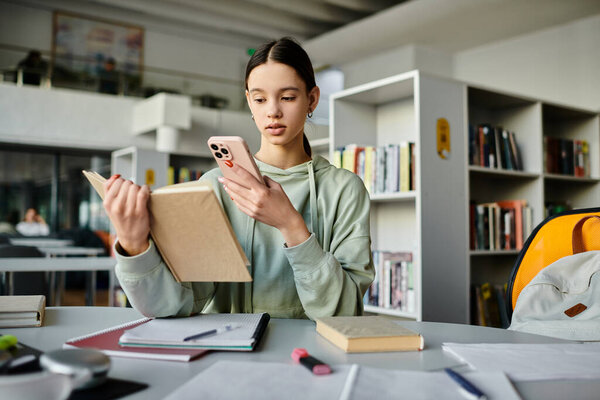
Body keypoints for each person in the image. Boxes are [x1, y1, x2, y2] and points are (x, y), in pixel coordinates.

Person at [104, 37, 374, 319]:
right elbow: (175, 305)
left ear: (312, 99)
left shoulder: (344, 189)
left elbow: (345, 311)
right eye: (260, 99)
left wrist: (291, 225)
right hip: (226, 354)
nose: (273, 111)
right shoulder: (214, 187)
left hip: (312, 355)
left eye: (288, 97)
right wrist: (134, 245)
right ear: (249, 101)